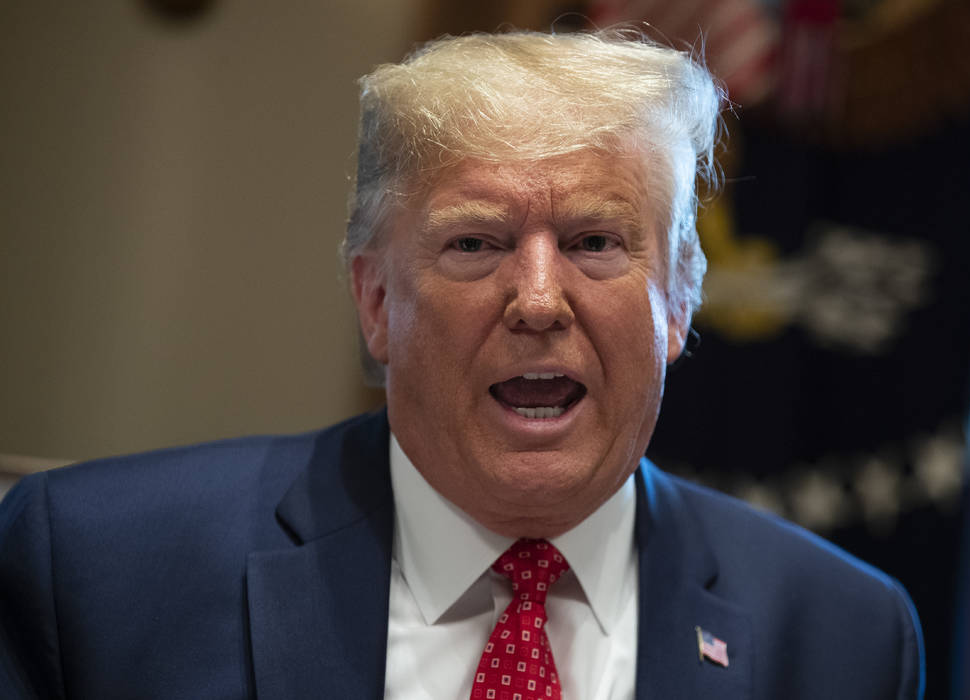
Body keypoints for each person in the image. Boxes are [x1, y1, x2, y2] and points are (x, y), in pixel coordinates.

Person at [0, 30, 923, 699]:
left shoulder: (844, 636)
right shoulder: (90, 568)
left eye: (597, 242)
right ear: (374, 303)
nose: (536, 301)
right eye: (476, 244)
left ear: (678, 301)